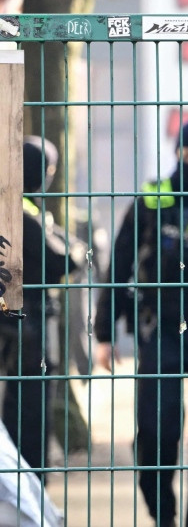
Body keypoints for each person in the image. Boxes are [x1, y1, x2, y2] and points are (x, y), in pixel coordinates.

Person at [94, 120, 188, 527]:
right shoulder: (151, 200)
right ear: (176, 151)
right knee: (155, 430)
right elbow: (119, 264)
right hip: (160, 326)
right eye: (187, 152)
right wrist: (104, 333)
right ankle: (163, 516)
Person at [0, 137, 85, 474]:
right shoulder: (23, 214)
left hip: (18, 322)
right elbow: (62, 260)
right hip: (27, 326)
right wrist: (74, 248)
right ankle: (29, 484)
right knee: (29, 412)